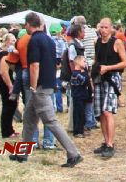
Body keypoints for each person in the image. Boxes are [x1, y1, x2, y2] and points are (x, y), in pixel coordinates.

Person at [10, 12, 82, 167]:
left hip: (39, 88)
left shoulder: (34, 40)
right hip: (48, 84)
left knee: (51, 121)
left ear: (29, 24)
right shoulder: (48, 40)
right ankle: (22, 152)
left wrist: (33, 87)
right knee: (29, 119)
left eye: (25, 25)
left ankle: (73, 153)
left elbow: (34, 65)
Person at [92, 18, 126, 159]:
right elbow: (96, 60)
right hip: (99, 78)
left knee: (108, 111)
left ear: (111, 28)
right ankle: (106, 142)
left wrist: (109, 68)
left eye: (106, 27)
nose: (103, 30)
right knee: (101, 112)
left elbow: (125, 63)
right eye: (102, 27)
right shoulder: (97, 42)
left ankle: (111, 145)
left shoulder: (117, 42)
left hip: (112, 78)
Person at [71, 16, 98, 132]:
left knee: (86, 98)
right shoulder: (93, 33)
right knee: (88, 97)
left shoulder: (77, 43)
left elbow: (72, 61)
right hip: (87, 66)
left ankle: (88, 121)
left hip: (83, 67)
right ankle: (89, 121)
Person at [0, 34, 19, 138]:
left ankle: (10, 129)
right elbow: (4, 72)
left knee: (11, 106)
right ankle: (6, 131)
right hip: (4, 83)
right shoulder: (5, 54)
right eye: (12, 40)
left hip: (6, 82)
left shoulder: (7, 53)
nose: (14, 42)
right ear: (7, 42)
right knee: (8, 106)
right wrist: (10, 86)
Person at [66, 23, 86, 133]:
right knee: (75, 102)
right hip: (77, 76)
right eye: (83, 29)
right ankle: (74, 126)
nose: (84, 32)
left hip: (81, 74)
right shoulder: (73, 45)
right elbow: (71, 61)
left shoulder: (78, 43)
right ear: (78, 32)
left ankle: (80, 125)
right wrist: (76, 73)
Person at [70, 55, 91, 138]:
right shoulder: (75, 74)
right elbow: (85, 80)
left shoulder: (82, 72)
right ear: (78, 62)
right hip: (78, 97)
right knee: (78, 114)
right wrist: (85, 73)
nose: (85, 63)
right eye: (84, 61)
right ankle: (77, 131)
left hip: (82, 96)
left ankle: (81, 129)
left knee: (82, 114)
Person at [50, 23, 66, 113]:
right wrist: (60, 64)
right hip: (59, 62)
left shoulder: (48, 40)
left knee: (51, 87)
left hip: (50, 63)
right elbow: (64, 52)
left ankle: (52, 107)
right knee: (58, 87)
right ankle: (59, 107)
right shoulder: (60, 41)